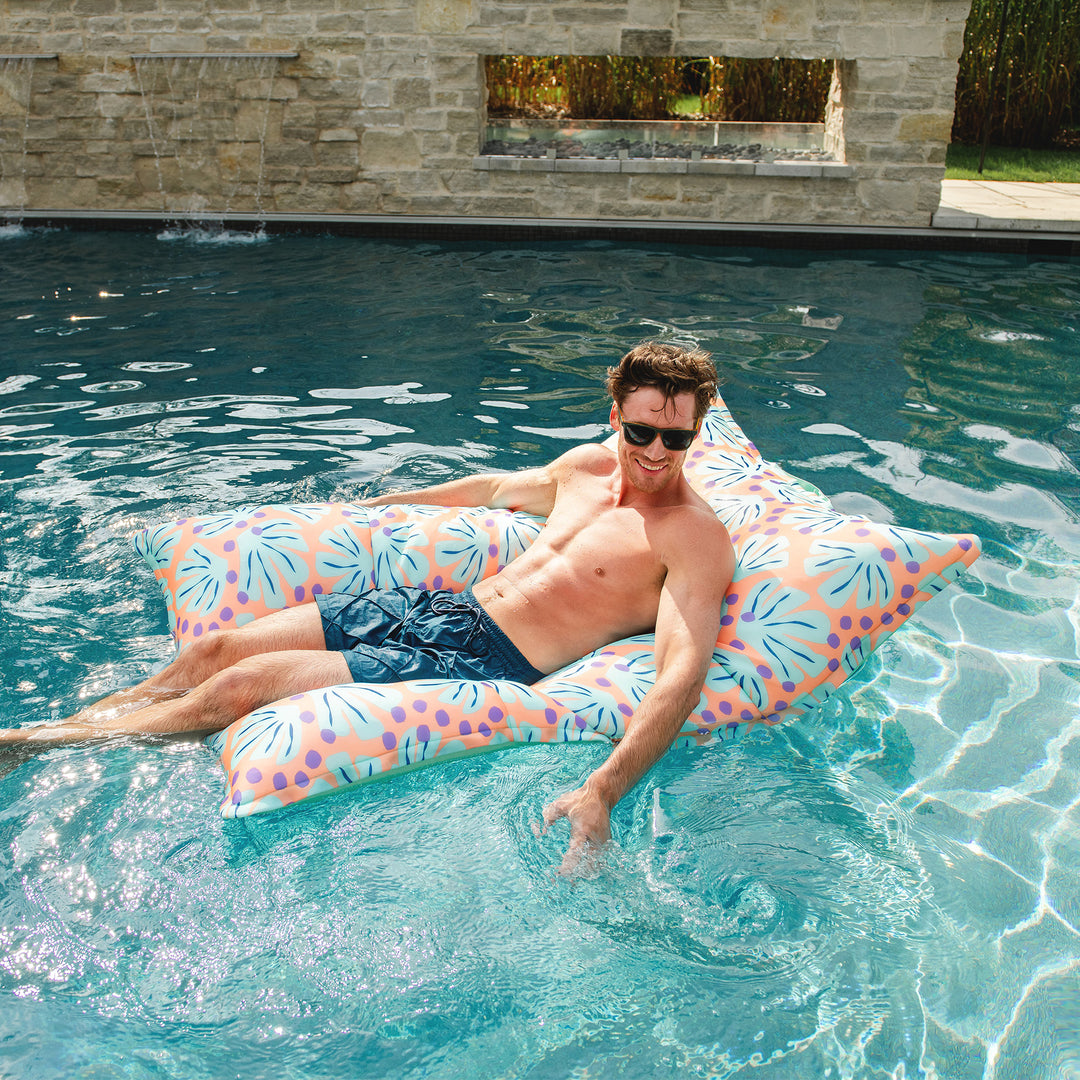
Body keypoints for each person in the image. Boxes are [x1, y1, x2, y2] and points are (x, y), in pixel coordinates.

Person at [1, 342, 735, 872]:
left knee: (237, 689)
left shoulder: (693, 538)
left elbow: (683, 669)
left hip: (485, 658)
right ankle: (81, 724)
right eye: (641, 430)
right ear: (616, 417)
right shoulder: (586, 467)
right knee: (212, 651)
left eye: (677, 437)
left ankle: (31, 744)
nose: (656, 452)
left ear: (693, 434)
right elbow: (491, 490)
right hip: (442, 609)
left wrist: (603, 791)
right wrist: (383, 507)